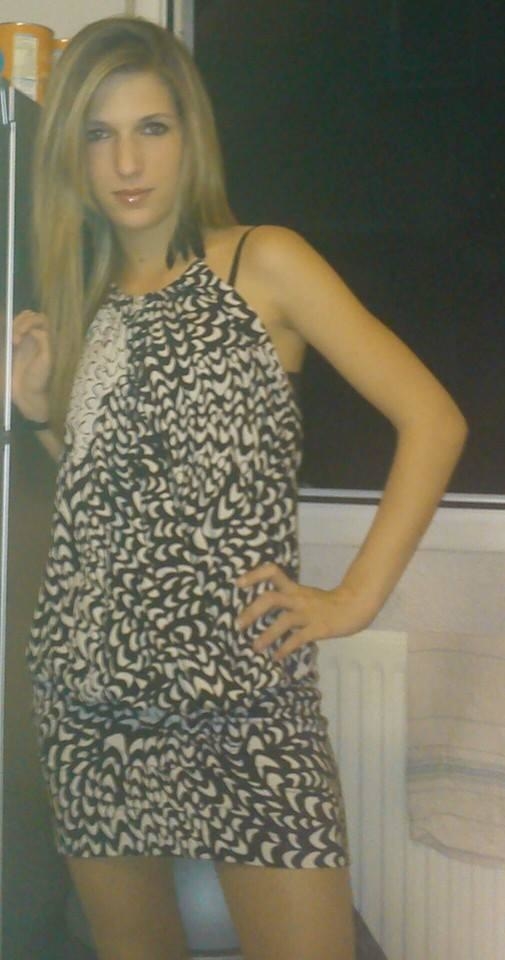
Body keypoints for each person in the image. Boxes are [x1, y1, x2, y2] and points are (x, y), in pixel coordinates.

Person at [12, 16, 467, 960]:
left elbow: (433, 421)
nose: (126, 161)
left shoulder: (261, 262)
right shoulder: (87, 297)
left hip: (243, 700)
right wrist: (45, 411)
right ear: (72, 156)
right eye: (98, 134)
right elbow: (110, 501)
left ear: (191, 134)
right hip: (88, 698)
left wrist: (352, 599)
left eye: (151, 127)